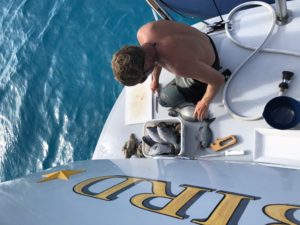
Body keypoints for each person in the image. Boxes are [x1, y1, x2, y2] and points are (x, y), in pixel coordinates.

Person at [111, 20, 224, 120]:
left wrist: (204, 102)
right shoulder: (144, 32)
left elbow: (218, 79)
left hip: (210, 64)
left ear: (146, 64)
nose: (146, 77)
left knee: (165, 100)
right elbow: (152, 55)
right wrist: (155, 79)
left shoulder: (178, 65)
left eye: (144, 76)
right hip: (203, 38)